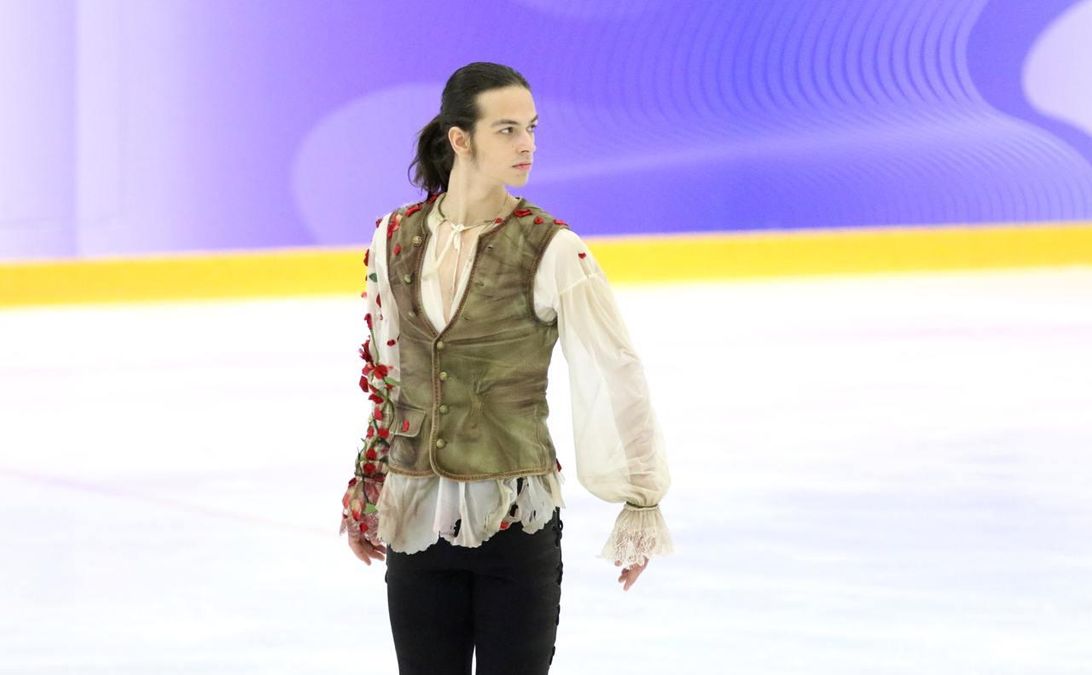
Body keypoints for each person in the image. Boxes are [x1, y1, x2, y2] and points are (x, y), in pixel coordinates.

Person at [339, 61, 672, 675]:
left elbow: (614, 370)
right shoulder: (394, 237)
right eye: (508, 130)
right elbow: (389, 376)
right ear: (460, 139)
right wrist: (367, 485)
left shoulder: (553, 248)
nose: (528, 145)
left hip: (516, 523)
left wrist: (639, 500)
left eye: (532, 128)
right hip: (416, 517)